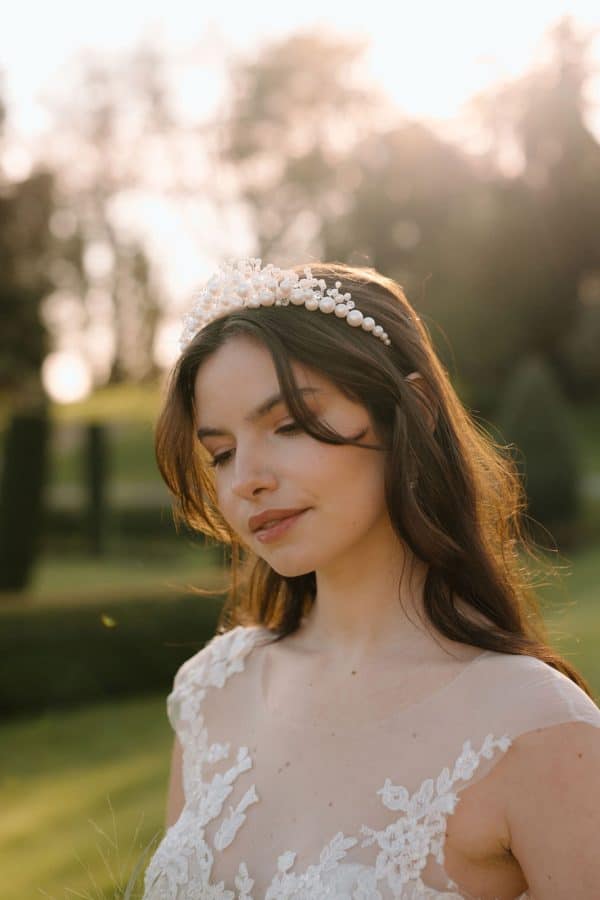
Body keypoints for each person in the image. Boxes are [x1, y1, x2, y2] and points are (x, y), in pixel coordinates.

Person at [143, 258, 600, 899]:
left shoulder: (538, 730)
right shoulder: (210, 692)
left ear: (410, 408)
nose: (245, 478)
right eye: (220, 452)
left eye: (290, 424)